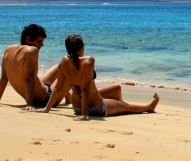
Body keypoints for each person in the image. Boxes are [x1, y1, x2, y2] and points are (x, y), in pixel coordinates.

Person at [27, 34, 159, 121]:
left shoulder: (63, 61)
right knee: (127, 106)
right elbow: (84, 88)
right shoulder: (88, 60)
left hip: (76, 106)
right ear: (82, 47)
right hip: (95, 107)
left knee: (117, 88)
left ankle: (116, 105)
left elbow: (59, 88)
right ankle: (148, 107)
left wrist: (46, 109)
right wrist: (85, 115)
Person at [0, 24, 68, 108]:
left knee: (59, 67)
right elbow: (29, 78)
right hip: (46, 99)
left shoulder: (8, 49)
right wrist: (30, 104)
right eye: (39, 41)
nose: (42, 45)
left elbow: (4, 78)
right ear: (28, 39)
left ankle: (67, 96)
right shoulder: (32, 51)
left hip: (40, 90)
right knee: (71, 70)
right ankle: (73, 97)